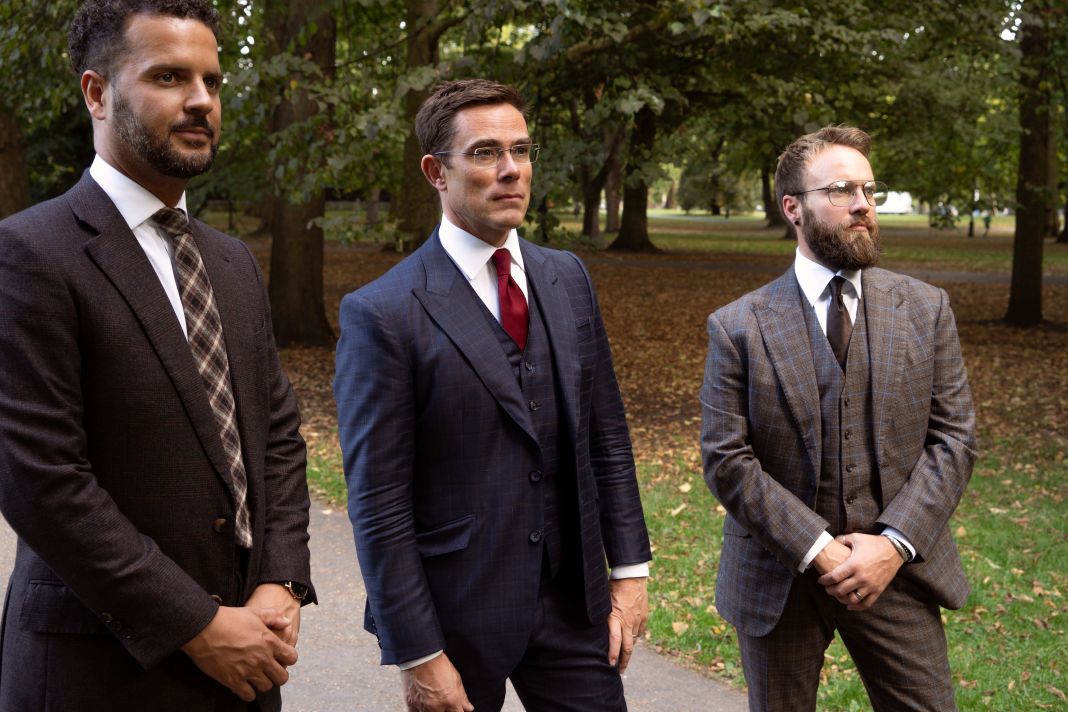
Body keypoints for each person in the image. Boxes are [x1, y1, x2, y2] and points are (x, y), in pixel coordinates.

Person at [0, 2, 315, 710]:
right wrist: (196, 623)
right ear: (97, 92)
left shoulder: (232, 262)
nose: (201, 100)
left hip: (248, 663)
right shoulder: (28, 253)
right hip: (101, 671)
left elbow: (278, 438)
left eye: (212, 79)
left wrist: (280, 580)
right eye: (170, 77)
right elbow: (42, 480)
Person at [334, 79, 651, 712]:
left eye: (521, 150)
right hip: (455, 617)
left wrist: (629, 574)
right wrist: (418, 653)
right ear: (436, 172)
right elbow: (378, 502)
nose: (511, 170)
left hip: (572, 608)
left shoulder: (567, 276)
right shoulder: (384, 312)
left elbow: (605, 437)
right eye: (484, 153)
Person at [699, 125, 977, 711]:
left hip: (894, 567)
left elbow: (953, 439)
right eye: (842, 190)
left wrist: (892, 545)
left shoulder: (926, 309)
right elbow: (727, 459)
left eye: (869, 190)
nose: (862, 206)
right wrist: (818, 549)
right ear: (793, 208)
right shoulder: (738, 325)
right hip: (780, 575)